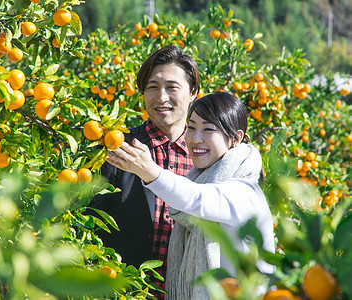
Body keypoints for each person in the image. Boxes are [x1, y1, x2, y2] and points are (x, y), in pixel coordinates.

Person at [106, 92, 275, 299]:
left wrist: (149, 171)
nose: (195, 139)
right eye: (192, 127)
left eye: (208, 129)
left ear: (236, 138)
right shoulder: (199, 179)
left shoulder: (245, 193)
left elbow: (196, 199)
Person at [89, 45, 200, 298]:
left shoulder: (205, 156)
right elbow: (89, 223)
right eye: (152, 87)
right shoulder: (117, 150)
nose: (161, 98)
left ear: (193, 92)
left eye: (172, 87)